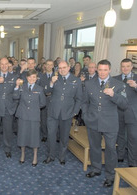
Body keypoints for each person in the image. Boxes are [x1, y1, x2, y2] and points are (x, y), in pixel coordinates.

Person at [82, 59, 128, 187]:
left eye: (105, 70)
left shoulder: (118, 84)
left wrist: (114, 95)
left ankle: (110, 175)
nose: (102, 73)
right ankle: (96, 169)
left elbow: (124, 105)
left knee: (110, 149)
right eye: (100, 69)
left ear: (110, 70)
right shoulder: (89, 83)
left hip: (110, 123)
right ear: (96, 69)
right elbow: (84, 102)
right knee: (95, 146)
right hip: (93, 121)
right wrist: (85, 116)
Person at [43, 61, 82, 165]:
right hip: (53, 112)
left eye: (64, 67)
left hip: (67, 113)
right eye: (60, 68)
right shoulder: (55, 78)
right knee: (51, 136)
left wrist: (75, 112)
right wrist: (51, 83)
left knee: (64, 137)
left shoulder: (76, 80)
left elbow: (79, 99)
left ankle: (62, 157)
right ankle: (50, 156)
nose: (62, 70)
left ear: (69, 68)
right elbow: (46, 91)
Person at [14, 70, 46, 166]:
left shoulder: (39, 89)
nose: (32, 79)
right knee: (22, 135)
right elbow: (15, 97)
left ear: (36, 78)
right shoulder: (21, 87)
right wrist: (16, 86)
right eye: (30, 77)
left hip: (34, 116)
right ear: (27, 78)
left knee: (34, 136)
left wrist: (33, 108)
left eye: (34, 77)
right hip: (23, 115)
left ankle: (35, 156)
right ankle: (22, 154)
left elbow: (43, 103)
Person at [113, 58, 137, 167]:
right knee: (120, 135)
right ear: (120, 67)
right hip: (118, 111)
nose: (125, 68)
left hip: (132, 112)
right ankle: (120, 156)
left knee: (133, 137)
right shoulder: (115, 79)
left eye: (128, 66)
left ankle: (132, 161)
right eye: (123, 66)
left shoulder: (136, 78)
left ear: (132, 67)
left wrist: (136, 86)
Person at [39, 59, 54, 142]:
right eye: (47, 64)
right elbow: (41, 88)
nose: (49, 66)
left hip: (53, 100)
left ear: (53, 66)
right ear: (45, 66)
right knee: (44, 119)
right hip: (44, 99)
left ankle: (55, 135)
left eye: (50, 64)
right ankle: (45, 134)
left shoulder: (57, 76)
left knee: (53, 118)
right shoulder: (42, 76)